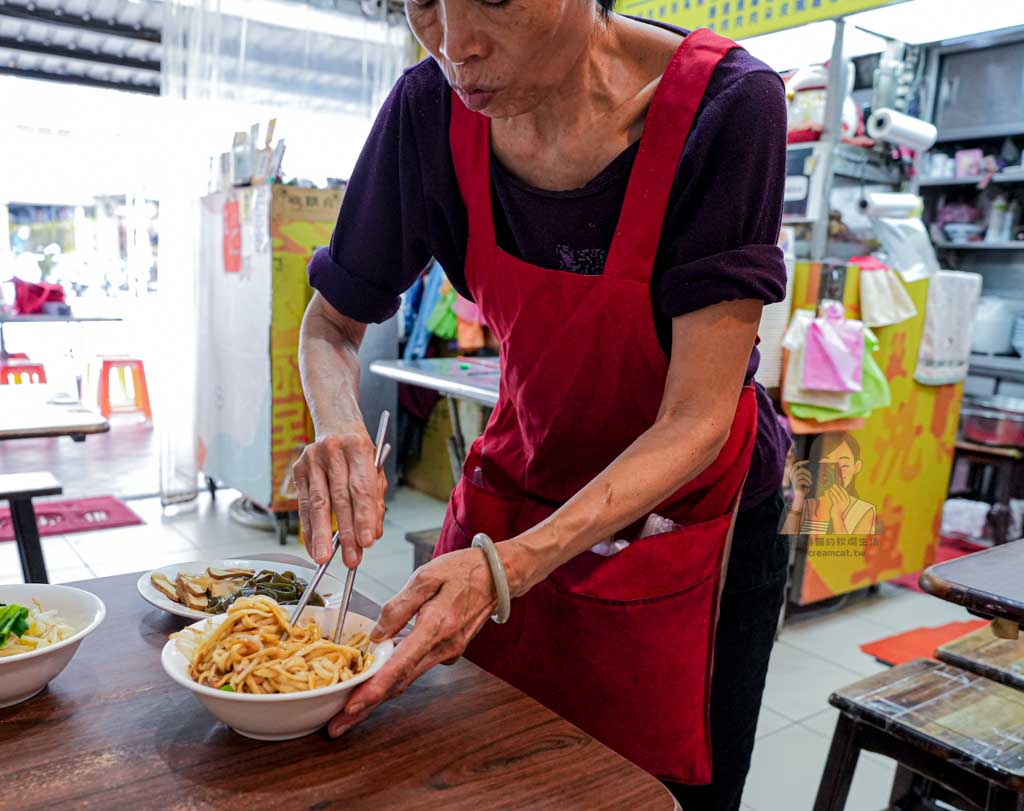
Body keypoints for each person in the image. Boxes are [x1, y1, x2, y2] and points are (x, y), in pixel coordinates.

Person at [294, 2, 791, 807]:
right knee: (473, 772)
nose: (456, 46)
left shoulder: (727, 107)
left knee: (651, 791)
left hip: (688, 518)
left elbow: (696, 417)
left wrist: (506, 564)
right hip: (521, 482)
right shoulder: (428, 110)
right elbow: (330, 325)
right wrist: (341, 428)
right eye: (423, 3)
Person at [784, 432, 876, 536]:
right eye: (827, 464)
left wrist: (838, 517)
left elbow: (851, 549)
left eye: (844, 465)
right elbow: (786, 540)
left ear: (857, 466)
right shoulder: (807, 500)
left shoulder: (863, 511)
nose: (836, 472)